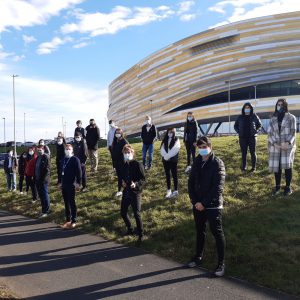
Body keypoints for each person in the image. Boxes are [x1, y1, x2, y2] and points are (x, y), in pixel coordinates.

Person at [188, 136, 226, 277]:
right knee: (200, 231)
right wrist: (195, 202)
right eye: (200, 147)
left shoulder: (218, 163)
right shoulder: (197, 161)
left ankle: (221, 263)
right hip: (197, 204)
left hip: (213, 205)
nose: (202, 149)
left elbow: (218, 188)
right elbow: (191, 183)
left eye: (204, 147)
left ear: (210, 146)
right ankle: (198, 257)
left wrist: (204, 203)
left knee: (217, 233)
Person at [268, 98, 296, 196]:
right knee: (277, 167)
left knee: (288, 167)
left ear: (285, 106)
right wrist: (274, 143)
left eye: (282, 105)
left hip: (286, 146)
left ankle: (288, 187)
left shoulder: (291, 117)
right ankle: (277, 186)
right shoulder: (273, 118)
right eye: (278, 105)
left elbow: (293, 132)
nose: (280, 106)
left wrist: (288, 142)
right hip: (275, 146)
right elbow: (270, 133)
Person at [120, 144, 145, 242]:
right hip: (126, 192)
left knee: (136, 214)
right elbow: (122, 178)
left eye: (128, 152)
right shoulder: (124, 165)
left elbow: (143, 179)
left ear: (132, 153)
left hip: (135, 192)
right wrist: (122, 184)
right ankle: (130, 229)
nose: (127, 154)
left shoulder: (138, 164)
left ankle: (141, 234)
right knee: (123, 212)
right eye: (125, 153)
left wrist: (136, 184)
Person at [59, 144, 82, 229]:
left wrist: (78, 183)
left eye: (69, 149)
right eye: (66, 149)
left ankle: (74, 221)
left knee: (72, 202)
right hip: (64, 184)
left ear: (72, 150)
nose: (67, 150)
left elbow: (79, 172)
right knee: (66, 203)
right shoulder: (63, 160)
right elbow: (60, 172)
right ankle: (68, 220)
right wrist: (60, 182)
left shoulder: (75, 159)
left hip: (72, 184)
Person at [234, 102, 262, 171]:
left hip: (252, 137)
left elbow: (260, 125)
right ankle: (244, 167)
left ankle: (253, 167)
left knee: (253, 152)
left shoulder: (254, 116)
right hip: (242, 138)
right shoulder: (240, 117)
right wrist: (238, 132)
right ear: (243, 109)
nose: (247, 109)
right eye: (246, 107)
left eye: (248, 107)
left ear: (251, 108)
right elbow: (235, 125)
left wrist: (256, 131)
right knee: (244, 153)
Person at [160, 128, 180, 198]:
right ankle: (169, 190)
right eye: (169, 132)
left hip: (173, 160)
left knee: (174, 175)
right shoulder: (164, 140)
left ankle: (176, 191)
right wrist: (165, 156)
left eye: (171, 132)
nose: (170, 133)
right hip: (165, 160)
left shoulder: (176, 139)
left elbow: (176, 148)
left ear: (174, 132)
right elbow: (161, 149)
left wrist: (168, 156)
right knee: (167, 175)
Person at [35, 145, 51, 217]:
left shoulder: (45, 157)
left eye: (40, 150)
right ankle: (43, 210)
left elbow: (47, 170)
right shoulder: (38, 157)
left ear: (43, 150)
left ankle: (46, 211)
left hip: (44, 180)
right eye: (38, 150)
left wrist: (43, 179)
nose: (39, 151)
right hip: (38, 179)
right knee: (41, 196)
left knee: (45, 195)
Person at [112, 128, 128, 197]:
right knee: (119, 177)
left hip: (123, 162)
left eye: (119, 133)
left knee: (125, 177)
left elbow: (128, 151)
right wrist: (114, 165)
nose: (117, 134)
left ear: (121, 133)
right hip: (117, 162)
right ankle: (120, 191)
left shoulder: (124, 141)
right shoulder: (115, 141)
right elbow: (113, 153)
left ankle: (130, 188)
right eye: (116, 133)